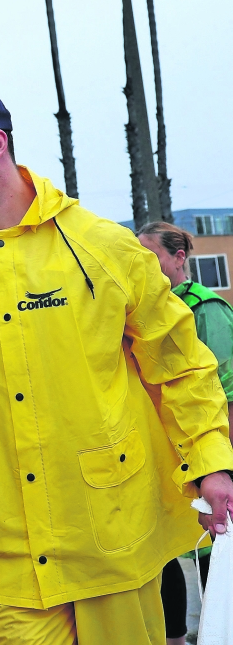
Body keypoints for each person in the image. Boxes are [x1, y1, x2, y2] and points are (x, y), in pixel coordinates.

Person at [0, 82, 233, 645]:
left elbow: (180, 364)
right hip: (4, 558)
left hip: (109, 537)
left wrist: (211, 463)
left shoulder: (101, 248)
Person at [138, 220, 233, 645]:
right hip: (160, 452)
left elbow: (223, 390)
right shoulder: (140, 312)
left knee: (213, 544)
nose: (145, 266)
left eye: (153, 257)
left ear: (179, 258)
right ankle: (176, 638)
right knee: (163, 550)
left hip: (205, 450)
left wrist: (220, 463)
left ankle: (219, 630)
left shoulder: (205, 308)